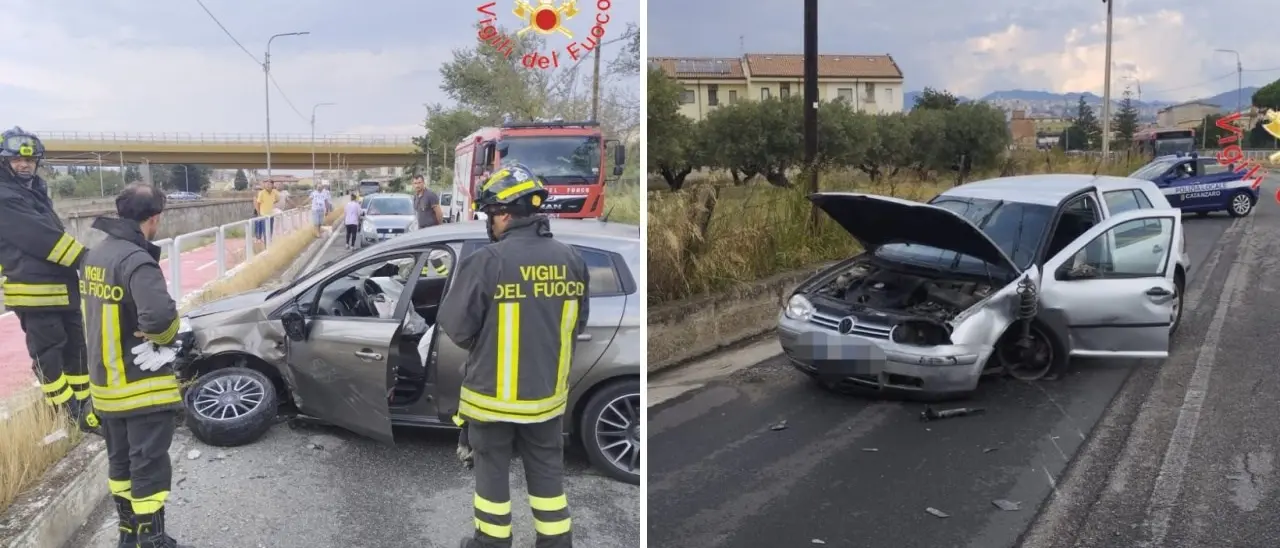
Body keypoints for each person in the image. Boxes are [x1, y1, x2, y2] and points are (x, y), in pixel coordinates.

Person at [437, 164, 589, 548]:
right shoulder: (571, 259)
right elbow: (576, 322)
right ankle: (556, 542)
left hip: (492, 401)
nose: (490, 221)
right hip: (546, 401)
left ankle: (491, 542)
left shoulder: (488, 261)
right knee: (548, 479)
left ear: (504, 213)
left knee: (491, 478)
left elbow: (456, 327)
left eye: (490, 213)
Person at [82, 183, 187, 548]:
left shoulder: (96, 255)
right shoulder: (136, 259)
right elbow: (159, 318)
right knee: (149, 465)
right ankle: (152, 539)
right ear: (154, 218)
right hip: (140, 386)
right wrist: (166, 337)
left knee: (121, 465)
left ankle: (128, 534)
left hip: (106, 388)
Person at [0, 126, 97, 431]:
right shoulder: (5, 196)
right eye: (16, 159)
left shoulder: (32, 191)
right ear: (4, 161)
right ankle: (66, 412)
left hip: (61, 287)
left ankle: (84, 406)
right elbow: (42, 238)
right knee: (50, 355)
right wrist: (88, 259)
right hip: (34, 291)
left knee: (77, 348)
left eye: (29, 159)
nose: (24, 164)